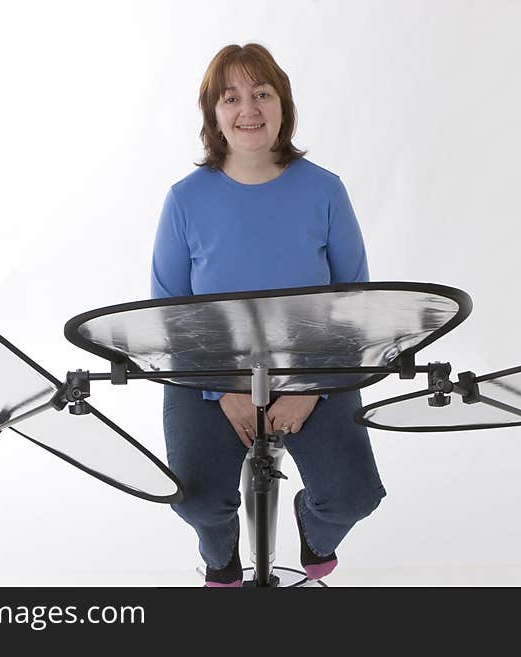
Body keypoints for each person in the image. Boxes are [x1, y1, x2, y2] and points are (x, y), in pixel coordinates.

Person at [150, 43, 386, 587]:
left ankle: (312, 527)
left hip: (314, 366)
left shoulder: (324, 189)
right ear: (214, 114)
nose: (248, 108)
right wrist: (223, 391)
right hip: (206, 371)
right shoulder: (186, 199)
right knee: (198, 501)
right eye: (231, 97)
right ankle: (221, 554)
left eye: (262, 93)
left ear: (283, 105)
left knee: (353, 495)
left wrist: (310, 388)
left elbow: (355, 302)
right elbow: (169, 316)